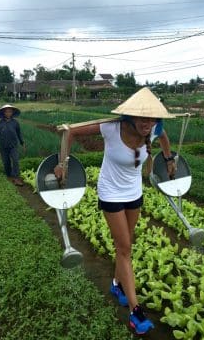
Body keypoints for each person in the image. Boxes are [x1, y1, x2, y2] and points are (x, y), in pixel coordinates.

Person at [55, 87, 176, 335]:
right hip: (110, 192)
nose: (148, 123)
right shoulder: (110, 128)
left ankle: (116, 284)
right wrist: (62, 163)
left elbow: (164, 138)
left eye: (152, 118)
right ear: (130, 116)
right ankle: (135, 311)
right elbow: (71, 132)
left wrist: (169, 158)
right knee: (124, 248)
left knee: (126, 245)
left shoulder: (153, 130)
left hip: (134, 193)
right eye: (143, 118)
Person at [0, 104, 25, 186]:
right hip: (3, 146)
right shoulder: (0, 123)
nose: (8, 113)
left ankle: (16, 178)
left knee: (15, 161)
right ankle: (9, 175)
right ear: (3, 113)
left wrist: (22, 143)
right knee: (6, 162)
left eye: (10, 111)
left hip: (13, 146)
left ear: (12, 113)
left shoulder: (15, 123)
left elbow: (19, 134)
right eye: (6, 112)